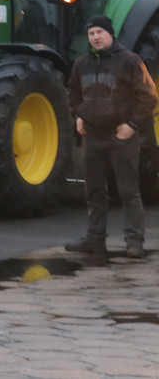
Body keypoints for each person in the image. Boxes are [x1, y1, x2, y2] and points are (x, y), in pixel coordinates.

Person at [66, 14, 158, 259]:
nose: (95, 37)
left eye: (100, 32)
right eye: (91, 33)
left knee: (128, 192)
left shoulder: (129, 61)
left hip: (121, 137)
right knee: (94, 192)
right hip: (93, 138)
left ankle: (134, 241)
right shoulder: (82, 63)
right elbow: (74, 94)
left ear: (110, 33)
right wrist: (79, 115)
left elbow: (149, 96)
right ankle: (95, 239)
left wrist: (132, 124)